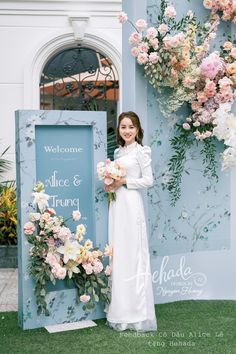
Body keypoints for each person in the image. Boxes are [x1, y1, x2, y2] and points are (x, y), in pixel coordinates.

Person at [105, 111, 157, 332]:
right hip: (117, 206)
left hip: (132, 205)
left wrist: (124, 181)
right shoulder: (118, 152)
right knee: (119, 254)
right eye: (123, 126)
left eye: (131, 127)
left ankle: (137, 313)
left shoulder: (142, 152)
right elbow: (113, 180)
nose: (127, 130)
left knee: (133, 254)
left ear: (137, 130)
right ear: (119, 129)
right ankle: (120, 310)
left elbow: (149, 180)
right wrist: (109, 184)